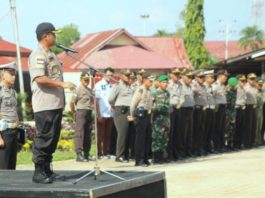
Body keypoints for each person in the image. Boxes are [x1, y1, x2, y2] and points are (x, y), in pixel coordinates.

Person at [29, 22, 76, 184]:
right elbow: (40, 78)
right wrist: (63, 85)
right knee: (44, 138)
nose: (56, 37)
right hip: (45, 104)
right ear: (45, 36)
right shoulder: (38, 55)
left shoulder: (52, 54)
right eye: (53, 34)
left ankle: (47, 169)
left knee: (53, 138)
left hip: (55, 103)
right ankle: (38, 172)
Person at [129, 74, 154, 166]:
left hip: (148, 115)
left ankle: (145, 158)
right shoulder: (140, 90)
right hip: (140, 115)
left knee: (147, 138)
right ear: (144, 80)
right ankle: (139, 160)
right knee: (140, 139)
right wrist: (133, 116)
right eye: (149, 81)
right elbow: (133, 104)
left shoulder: (149, 90)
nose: (151, 83)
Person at [109, 70, 134, 162]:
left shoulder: (130, 87)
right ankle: (119, 155)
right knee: (122, 133)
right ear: (121, 76)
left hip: (129, 110)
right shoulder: (117, 86)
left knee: (128, 133)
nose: (128, 77)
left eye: (129, 75)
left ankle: (126, 155)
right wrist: (115, 106)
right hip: (121, 110)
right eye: (126, 75)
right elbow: (110, 99)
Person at [70, 72, 93, 162]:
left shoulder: (89, 90)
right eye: (85, 80)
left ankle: (87, 153)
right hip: (80, 111)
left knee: (88, 133)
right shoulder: (77, 90)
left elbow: (91, 101)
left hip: (88, 112)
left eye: (88, 80)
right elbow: (72, 102)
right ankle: (79, 154)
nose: (87, 81)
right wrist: (74, 113)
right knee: (80, 133)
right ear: (81, 79)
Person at [0, 62, 19, 170]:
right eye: (11, 74)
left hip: (13, 131)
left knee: (12, 165)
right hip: (4, 133)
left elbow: (14, 111)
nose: (14, 76)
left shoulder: (13, 92)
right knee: (3, 166)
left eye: (14, 74)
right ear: (2, 75)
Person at [94, 67, 114, 158]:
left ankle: (106, 152)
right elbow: (96, 100)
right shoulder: (98, 85)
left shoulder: (111, 85)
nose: (110, 77)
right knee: (100, 135)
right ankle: (99, 153)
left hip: (110, 113)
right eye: (108, 75)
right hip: (101, 113)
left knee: (107, 135)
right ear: (104, 74)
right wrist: (98, 114)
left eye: (111, 75)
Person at [151, 75, 170, 164]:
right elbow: (154, 106)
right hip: (158, 118)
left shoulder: (167, 93)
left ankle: (162, 156)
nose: (165, 84)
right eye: (163, 82)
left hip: (166, 118)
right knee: (157, 138)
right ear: (159, 83)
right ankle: (156, 157)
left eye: (166, 82)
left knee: (164, 138)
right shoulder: (155, 93)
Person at [179, 70, 195, 157]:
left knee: (189, 131)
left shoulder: (191, 86)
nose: (190, 79)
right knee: (182, 132)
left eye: (191, 77)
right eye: (188, 77)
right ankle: (181, 151)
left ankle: (188, 150)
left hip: (190, 110)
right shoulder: (180, 85)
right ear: (183, 77)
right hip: (183, 110)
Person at [212, 69, 228, 152]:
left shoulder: (223, 86)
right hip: (217, 108)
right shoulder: (215, 85)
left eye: (226, 76)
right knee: (217, 127)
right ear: (219, 76)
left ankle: (222, 144)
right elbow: (212, 97)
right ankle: (217, 146)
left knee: (222, 127)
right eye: (224, 76)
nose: (225, 78)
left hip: (223, 107)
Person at [192, 70, 207, 156]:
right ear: (196, 77)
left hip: (203, 109)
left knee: (201, 129)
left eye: (203, 77)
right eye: (200, 77)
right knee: (196, 130)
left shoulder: (203, 86)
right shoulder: (194, 85)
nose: (202, 78)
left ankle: (199, 148)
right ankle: (194, 149)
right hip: (196, 109)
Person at [203, 70, 216, 154]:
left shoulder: (212, 87)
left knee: (210, 129)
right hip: (206, 109)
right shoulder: (203, 87)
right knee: (205, 129)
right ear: (206, 78)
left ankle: (208, 147)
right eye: (211, 77)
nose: (213, 79)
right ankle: (204, 147)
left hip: (212, 109)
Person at [244, 73, 258, 148]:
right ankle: (247, 142)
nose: (253, 80)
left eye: (254, 79)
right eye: (251, 79)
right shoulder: (245, 87)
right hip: (248, 106)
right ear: (248, 79)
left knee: (254, 124)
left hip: (254, 107)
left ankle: (252, 141)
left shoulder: (255, 87)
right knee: (248, 125)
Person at [234, 74, 247, 149]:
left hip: (242, 108)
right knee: (236, 126)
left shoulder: (243, 88)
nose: (243, 82)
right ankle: (235, 143)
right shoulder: (235, 88)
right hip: (237, 108)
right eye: (241, 81)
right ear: (237, 81)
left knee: (242, 126)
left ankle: (239, 143)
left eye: (244, 81)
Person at [225, 77, 238, 150]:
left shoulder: (234, 90)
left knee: (232, 128)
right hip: (227, 112)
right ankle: (225, 143)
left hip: (232, 111)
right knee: (226, 128)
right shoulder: (226, 90)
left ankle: (230, 143)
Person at [255, 79, 264, 146]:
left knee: (260, 126)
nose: (260, 85)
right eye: (259, 84)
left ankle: (259, 140)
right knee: (256, 125)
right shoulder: (255, 91)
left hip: (261, 109)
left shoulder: (261, 91)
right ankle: (255, 140)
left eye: (261, 84)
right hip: (256, 109)